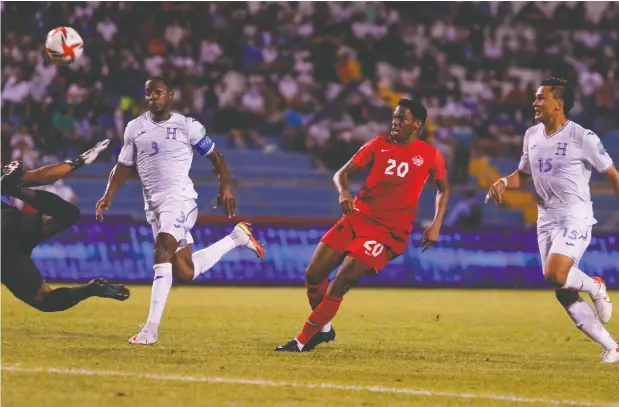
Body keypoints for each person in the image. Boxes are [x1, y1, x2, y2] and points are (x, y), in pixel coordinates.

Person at [95, 76, 265, 345]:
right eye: (149, 92)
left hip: (180, 198)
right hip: (154, 205)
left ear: (170, 95)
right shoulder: (134, 128)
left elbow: (216, 157)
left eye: (158, 92)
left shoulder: (187, 126)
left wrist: (226, 188)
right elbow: (123, 166)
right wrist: (107, 195)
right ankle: (237, 238)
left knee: (162, 249)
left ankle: (150, 330)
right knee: (184, 271)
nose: (153, 97)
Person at [275, 99, 450, 352]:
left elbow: (444, 190)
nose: (395, 122)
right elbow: (342, 173)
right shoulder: (378, 145)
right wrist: (343, 192)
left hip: (387, 231)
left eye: (402, 119)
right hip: (356, 218)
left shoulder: (430, 155)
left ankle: (302, 340)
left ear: (417, 125)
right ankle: (323, 329)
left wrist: (436, 225)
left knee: (341, 280)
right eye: (394, 117)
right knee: (313, 274)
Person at [485, 77, 619, 364]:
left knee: (555, 274)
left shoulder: (584, 137)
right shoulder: (531, 135)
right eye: (535, 98)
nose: (534, 102)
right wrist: (504, 182)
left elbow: (613, 175)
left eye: (540, 97)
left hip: (575, 215)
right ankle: (612, 346)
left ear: (558, 103)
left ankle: (595, 287)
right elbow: (523, 174)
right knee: (563, 292)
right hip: (546, 219)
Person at [1, 141, 130, 313]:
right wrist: (79, 161)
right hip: (13, 228)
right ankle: (91, 289)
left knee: (44, 300)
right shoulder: (4, 173)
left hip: (6, 239)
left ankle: (14, 189)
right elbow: (41, 176)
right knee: (68, 214)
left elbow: (41, 176)